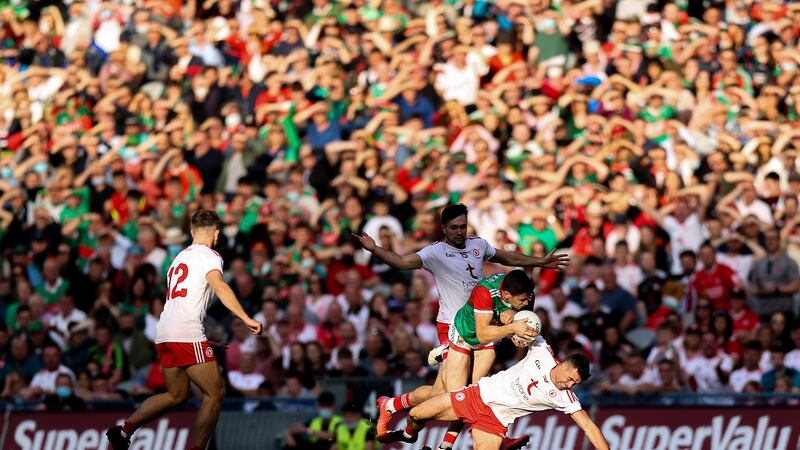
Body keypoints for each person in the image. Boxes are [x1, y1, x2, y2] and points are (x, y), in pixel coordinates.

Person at [356, 204, 566, 450]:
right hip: (451, 326)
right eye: (454, 227)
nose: (459, 232)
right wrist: (375, 249)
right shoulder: (434, 252)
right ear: (444, 228)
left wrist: (539, 261)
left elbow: (506, 257)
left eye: (463, 227)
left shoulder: (478, 245)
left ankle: (393, 406)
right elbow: (401, 262)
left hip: (482, 322)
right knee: (458, 395)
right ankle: (457, 440)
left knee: (456, 392)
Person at [106, 210, 262, 450]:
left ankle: (124, 430)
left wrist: (201, 339)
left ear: (191, 232)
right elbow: (219, 286)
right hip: (186, 332)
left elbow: (185, 302)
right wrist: (244, 317)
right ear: (216, 234)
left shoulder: (178, 258)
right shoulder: (210, 255)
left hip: (165, 331)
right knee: (215, 393)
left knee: (177, 395)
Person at [377, 270, 538, 448]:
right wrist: (512, 328)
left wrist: (519, 336)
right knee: (456, 399)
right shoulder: (485, 291)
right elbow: (482, 333)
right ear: (506, 295)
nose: (526, 303)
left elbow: (520, 323)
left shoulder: (526, 294)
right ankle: (411, 428)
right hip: (465, 335)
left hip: (490, 339)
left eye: (527, 299)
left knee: (474, 395)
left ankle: (441, 443)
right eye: (522, 300)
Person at [381, 340, 608, 450]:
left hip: (495, 421)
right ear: (565, 365)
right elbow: (525, 324)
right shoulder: (542, 351)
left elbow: (589, 427)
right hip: (478, 396)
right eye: (570, 379)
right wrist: (517, 333)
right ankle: (409, 435)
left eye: (575, 384)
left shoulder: (565, 397)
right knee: (415, 415)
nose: (570, 385)